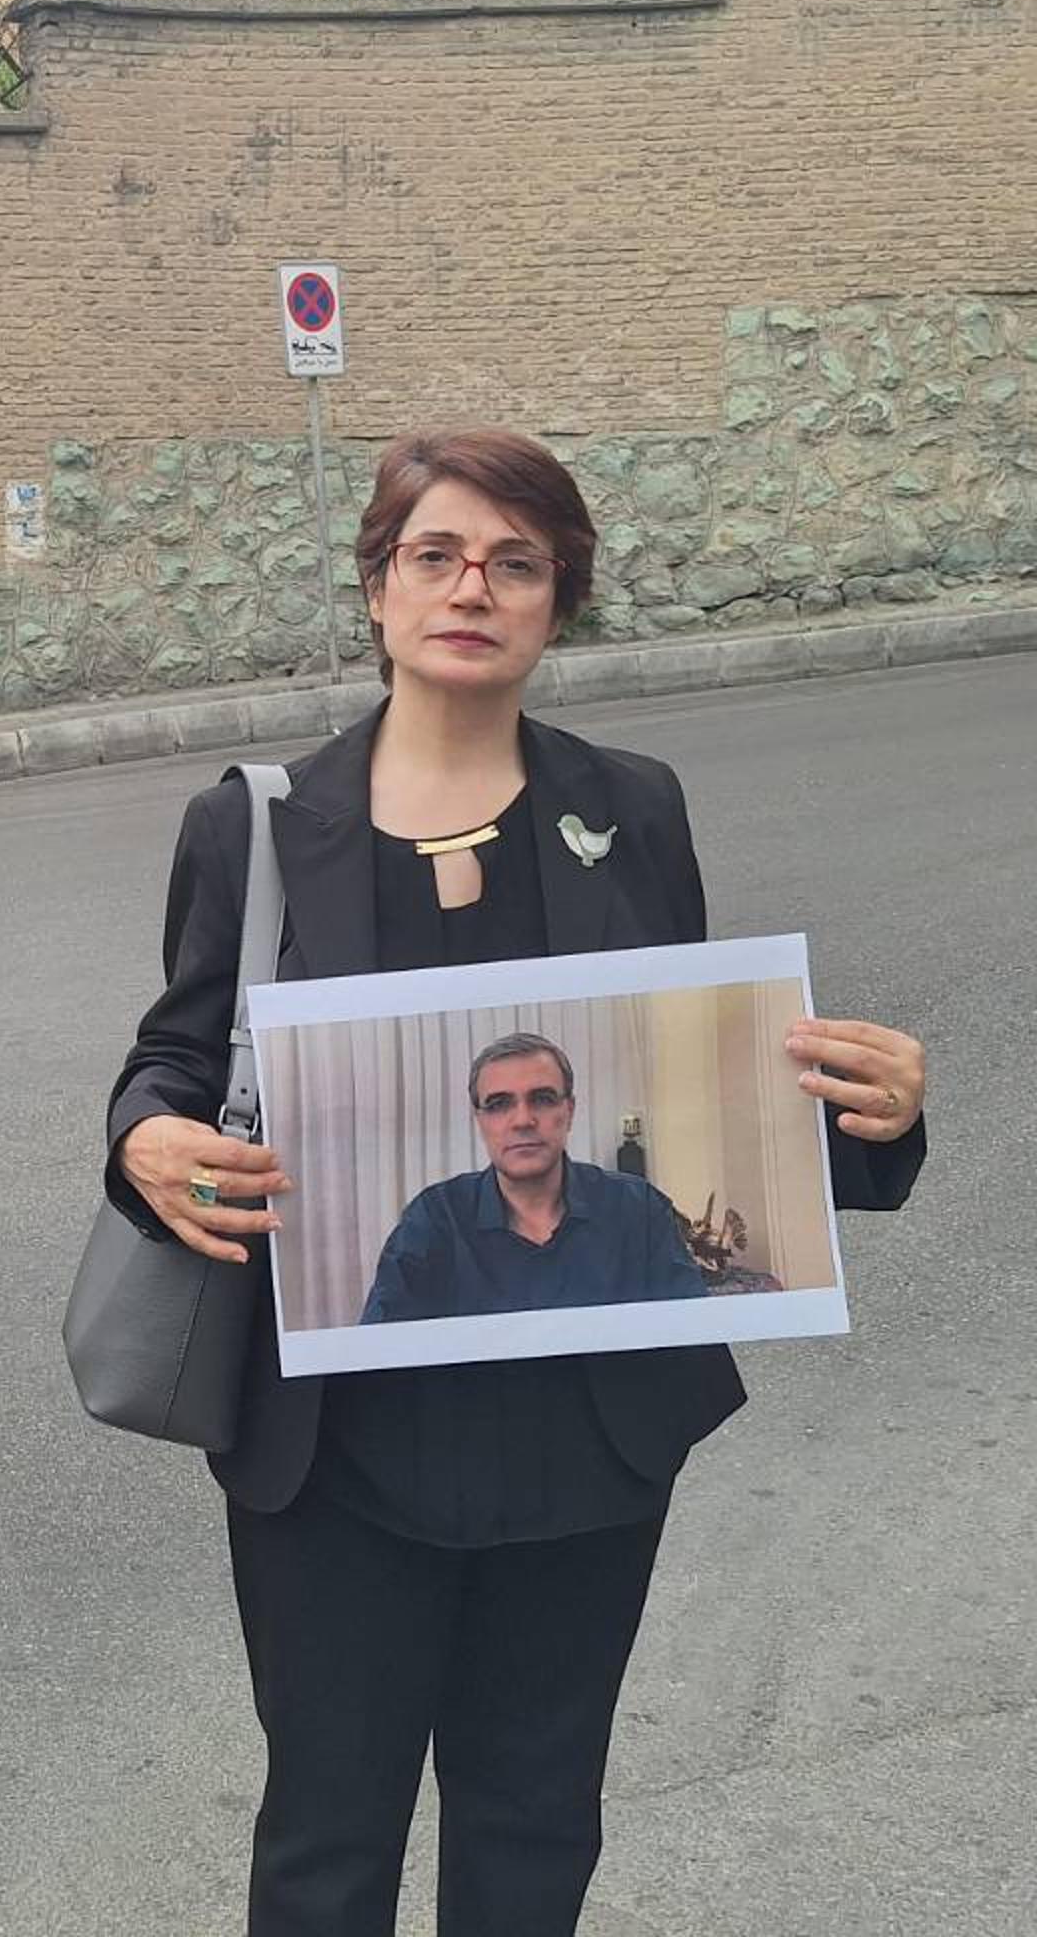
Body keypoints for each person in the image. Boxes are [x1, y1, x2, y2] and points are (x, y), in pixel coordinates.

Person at [104, 428, 926, 1937]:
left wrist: (865, 1122)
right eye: (437, 554)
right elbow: (175, 1055)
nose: (472, 586)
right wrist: (146, 1141)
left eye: (516, 561)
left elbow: (694, 1089)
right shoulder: (260, 825)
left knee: (537, 1827)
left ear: (560, 601)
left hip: (585, 1435)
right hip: (336, 1449)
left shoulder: (637, 806)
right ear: (377, 588)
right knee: (325, 1844)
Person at [358, 1033, 709, 1323]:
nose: (522, 1120)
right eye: (499, 1104)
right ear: (479, 1121)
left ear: (568, 1112)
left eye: (541, 1099)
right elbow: (382, 1358)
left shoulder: (639, 1210)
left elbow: (694, 1340)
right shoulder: (434, 1220)